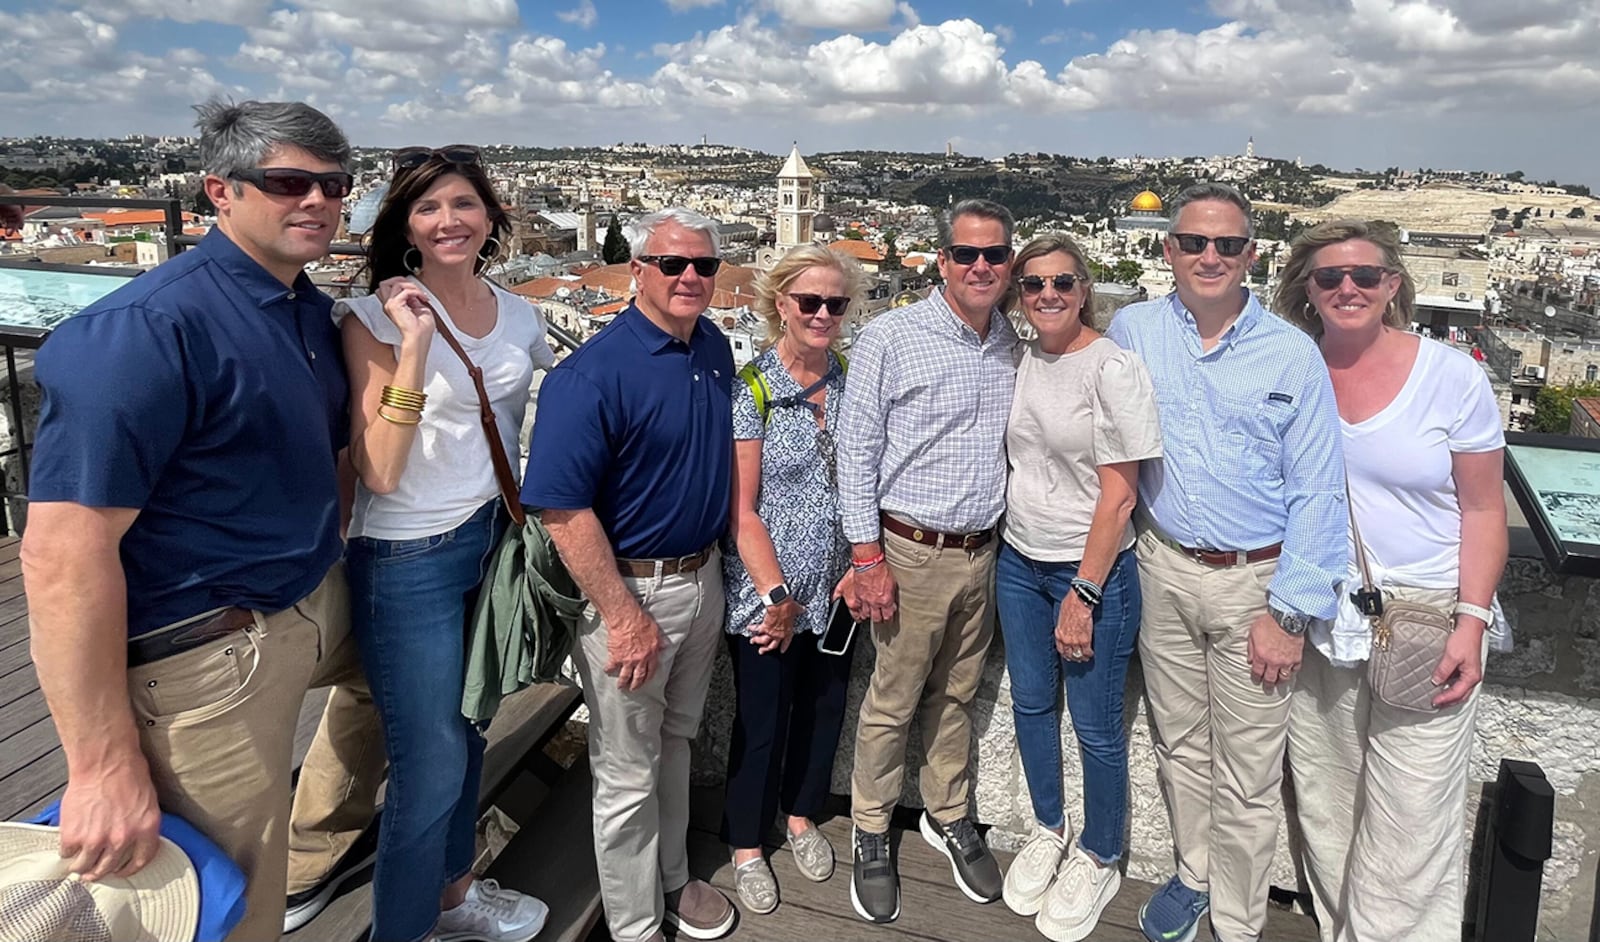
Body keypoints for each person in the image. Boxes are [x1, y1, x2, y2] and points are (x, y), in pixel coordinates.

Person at [21, 99, 383, 942]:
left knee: (414, 673)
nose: (320, 203)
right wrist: (101, 766)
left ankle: (315, 849)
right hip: (206, 653)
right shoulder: (144, 332)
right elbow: (60, 559)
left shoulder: (302, 311)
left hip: (304, 599)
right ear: (221, 191)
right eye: (290, 182)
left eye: (335, 185)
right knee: (226, 906)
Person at [1104, 182, 1346, 942]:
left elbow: (1318, 491)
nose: (1211, 256)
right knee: (1178, 743)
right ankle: (1193, 875)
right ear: (1167, 249)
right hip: (1164, 566)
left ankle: (1239, 921)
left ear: (1252, 256)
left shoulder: (1292, 354)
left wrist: (1288, 612)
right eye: (1195, 242)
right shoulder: (1133, 329)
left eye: (1229, 245)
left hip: (1256, 582)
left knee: (1247, 767)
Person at [335, 145, 555, 942]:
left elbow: (569, 396)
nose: (448, 220)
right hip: (406, 558)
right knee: (428, 768)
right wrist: (417, 344)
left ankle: (454, 899)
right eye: (428, 208)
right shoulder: (367, 321)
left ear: (491, 215)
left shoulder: (519, 312)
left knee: (467, 732)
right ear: (406, 225)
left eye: (463, 203)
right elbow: (383, 471)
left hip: (490, 540)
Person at [1274, 220, 1508, 942]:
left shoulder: (1450, 376)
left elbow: (1484, 506)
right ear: (1306, 290)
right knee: (1327, 801)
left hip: (1424, 618)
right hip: (1320, 611)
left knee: (1410, 822)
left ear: (1393, 285)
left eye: (1366, 275)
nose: (1348, 288)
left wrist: (1472, 618)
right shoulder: (1291, 369)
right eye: (1329, 277)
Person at [521, 208, 737, 942]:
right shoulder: (590, 375)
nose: (688, 277)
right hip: (631, 594)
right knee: (624, 773)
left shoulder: (712, 346)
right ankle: (635, 927)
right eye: (671, 263)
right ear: (637, 269)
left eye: (702, 266)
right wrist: (622, 614)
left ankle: (673, 880)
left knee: (675, 741)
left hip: (701, 581)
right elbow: (562, 508)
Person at [836, 198, 1020, 924]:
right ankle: (871, 827)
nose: (981, 266)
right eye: (967, 254)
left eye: (995, 255)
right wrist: (867, 556)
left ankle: (947, 813)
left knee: (957, 693)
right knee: (894, 699)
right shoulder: (892, 336)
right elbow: (856, 453)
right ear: (941, 261)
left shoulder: (1012, 339)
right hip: (909, 551)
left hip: (984, 552)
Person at [993, 234, 1162, 942]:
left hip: (1088, 572)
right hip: (1018, 561)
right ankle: (1050, 828)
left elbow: (1120, 495)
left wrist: (1084, 593)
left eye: (1062, 281)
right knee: (1032, 704)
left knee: (1095, 728)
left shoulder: (1113, 367)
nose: (1048, 295)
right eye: (1033, 285)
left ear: (1084, 288)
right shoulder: (1022, 358)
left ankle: (1100, 853)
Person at [720, 245, 869, 916]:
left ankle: (802, 814)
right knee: (761, 720)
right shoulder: (752, 388)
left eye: (835, 303)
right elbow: (742, 510)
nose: (822, 314)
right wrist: (778, 597)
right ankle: (747, 844)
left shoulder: (850, 378)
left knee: (824, 708)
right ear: (779, 302)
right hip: (770, 589)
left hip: (837, 587)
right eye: (808, 301)